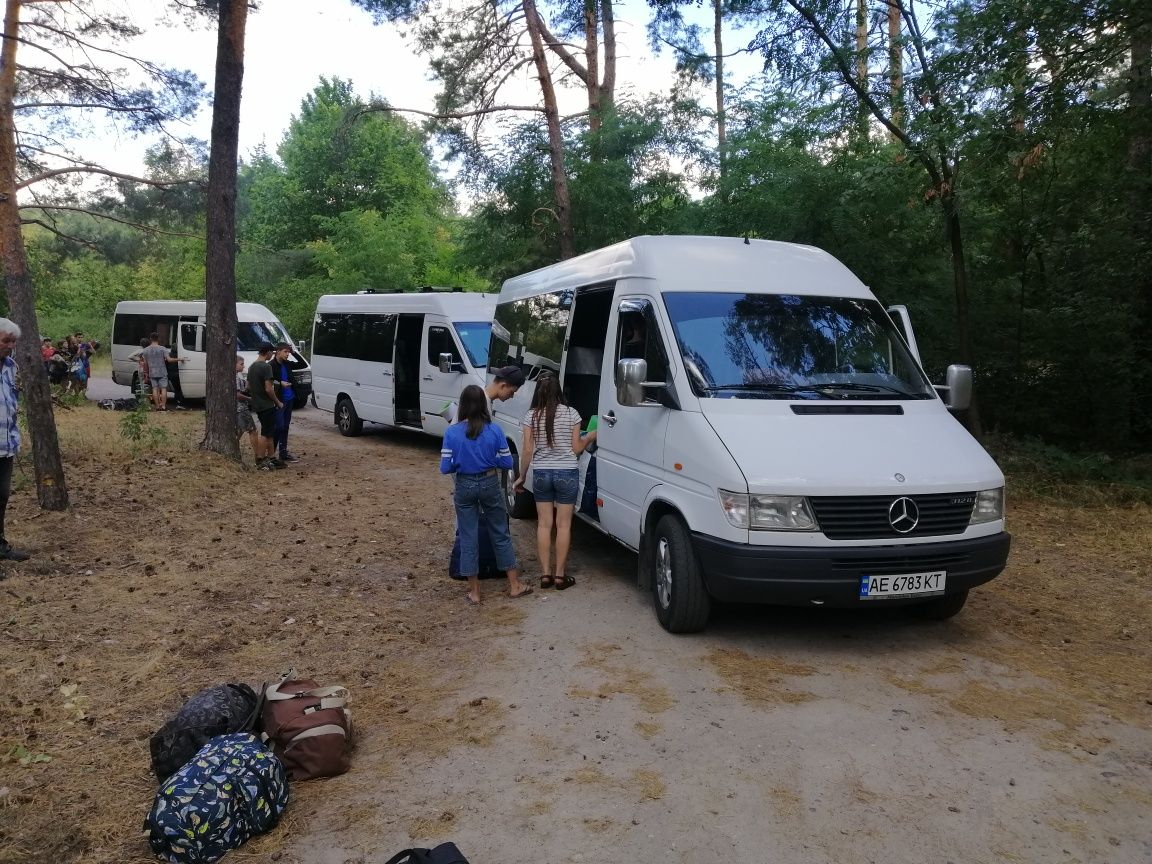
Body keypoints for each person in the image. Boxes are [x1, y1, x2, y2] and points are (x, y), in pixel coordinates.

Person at [440, 384, 531, 604]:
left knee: (468, 536)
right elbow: (507, 461)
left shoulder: (452, 433)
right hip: (490, 482)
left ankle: (475, 592)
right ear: (483, 405)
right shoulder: (495, 431)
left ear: (462, 406)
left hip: (464, 485)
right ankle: (514, 585)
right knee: (500, 532)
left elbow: (445, 468)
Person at [513, 372, 596, 590]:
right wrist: (590, 436)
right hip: (567, 472)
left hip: (541, 474)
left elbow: (528, 450)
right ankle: (560, 577)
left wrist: (521, 476)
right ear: (559, 390)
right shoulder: (572, 414)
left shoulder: (531, 416)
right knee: (564, 525)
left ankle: (545, 575)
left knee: (544, 524)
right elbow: (577, 449)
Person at [0, 319, 29, 562]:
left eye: (12, 341)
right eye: (5, 341)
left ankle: (0, 544)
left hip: (5, 445)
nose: (9, 346)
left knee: (2, 495)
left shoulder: (11, 366)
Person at [248, 343, 286, 471]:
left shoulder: (252, 366)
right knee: (266, 433)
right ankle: (259, 459)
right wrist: (277, 402)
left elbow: (248, 386)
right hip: (266, 405)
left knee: (270, 432)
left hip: (257, 404)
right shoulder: (266, 367)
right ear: (268, 352)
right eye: (273, 352)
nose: (273, 354)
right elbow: (269, 389)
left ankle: (272, 457)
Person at [270, 342, 298, 462]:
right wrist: (280, 382)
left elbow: (301, 364)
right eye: (285, 352)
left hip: (289, 398)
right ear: (278, 351)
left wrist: (294, 352)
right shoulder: (271, 365)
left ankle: (283, 452)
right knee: (278, 427)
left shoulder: (287, 364)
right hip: (279, 400)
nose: (287, 354)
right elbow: (268, 381)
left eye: (288, 352)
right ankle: (272, 454)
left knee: (285, 426)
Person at [141, 332, 182, 411]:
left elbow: (145, 364)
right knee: (163, 389)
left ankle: (157, 406)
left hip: (152, 372)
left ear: (150, 339)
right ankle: (163, 406)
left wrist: (146, 373)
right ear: (158, 339)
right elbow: (169, 360)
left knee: (154, 389)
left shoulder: (145, 350)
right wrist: (180, 359)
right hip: (162, 372)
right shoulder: (163, 348)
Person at [235, 356, 259, 459]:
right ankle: (258, 456)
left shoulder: (237, 376)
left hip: (238, 408)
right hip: (241, 408)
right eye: (241, 364)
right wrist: (250, 399)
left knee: (239, 431)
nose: (243, 366)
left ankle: (235, 452)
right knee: (252, 430)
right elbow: (237, 395)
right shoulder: (235, 377)